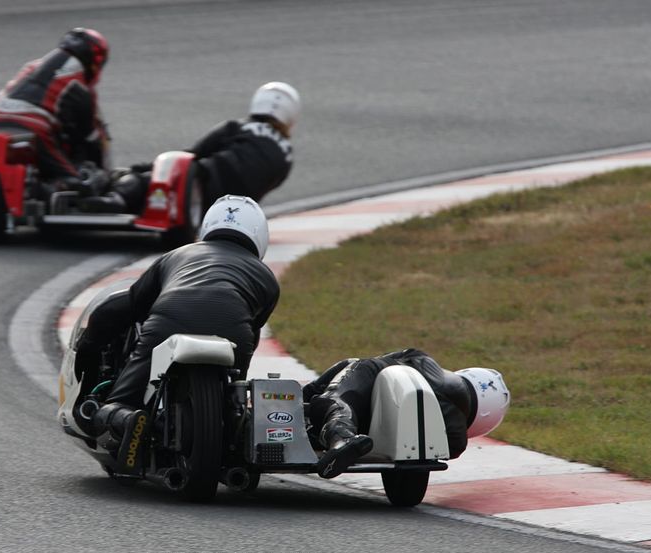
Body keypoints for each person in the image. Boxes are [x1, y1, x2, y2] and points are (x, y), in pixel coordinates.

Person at [73, 195, 280, 473]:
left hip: (169, 320)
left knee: (117, 403)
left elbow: (133, 303)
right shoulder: (267, 277)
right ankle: (232, 425)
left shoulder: (177, 254)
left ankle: (129, 419)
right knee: (235, 399)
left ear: (208, 226)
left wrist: (89, 343)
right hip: (234, 331)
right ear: (260, 237)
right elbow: (253, 333)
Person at [0, 28, 110, 235]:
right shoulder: (78, 85)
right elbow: (87, 136)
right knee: (76, 182)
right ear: (95, 60)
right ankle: (50, 194)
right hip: (34, 127)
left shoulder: (31, 67)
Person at [80, 82, 300, 214]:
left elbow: (192, 155)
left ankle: (116, 198)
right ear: (290, 114)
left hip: (207, 178)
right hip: (230, 207)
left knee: (149, 179)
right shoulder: (287, 157)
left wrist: (140, 168)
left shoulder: (240, 126)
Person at [302, 349, 510, 479]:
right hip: (379, 426)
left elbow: (354, 364)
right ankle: (334, 436)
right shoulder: (456, 442)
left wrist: (308, 393)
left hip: (369, 380)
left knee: (332, 401)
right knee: (336, 407)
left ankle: (340, 438)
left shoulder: (422, 360)